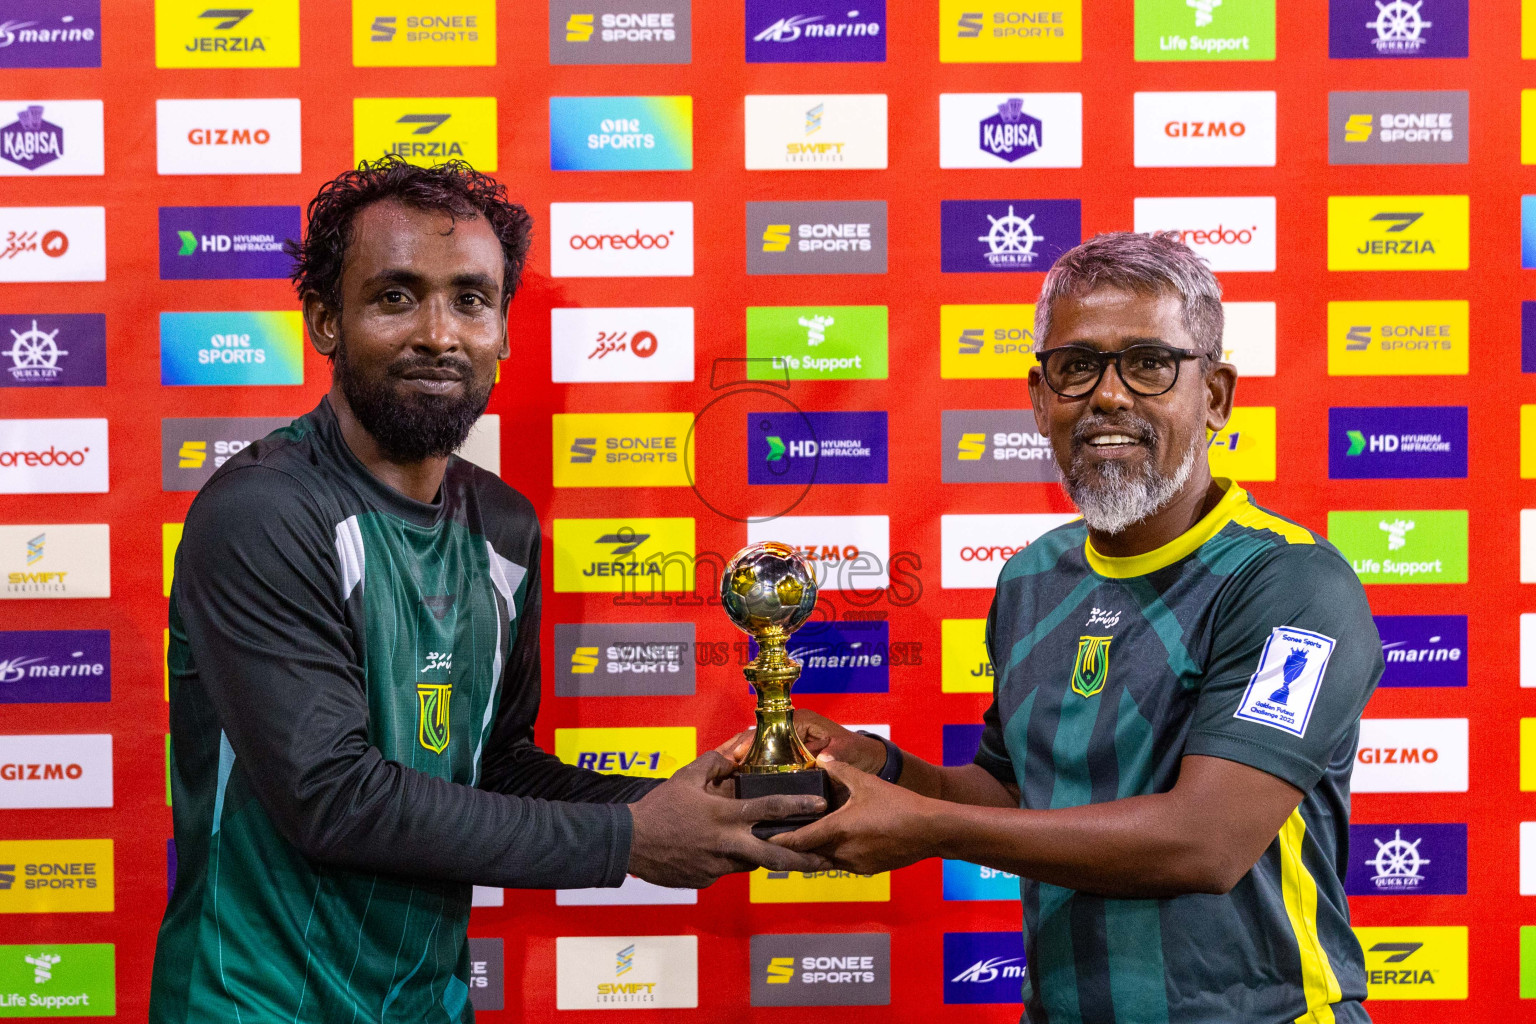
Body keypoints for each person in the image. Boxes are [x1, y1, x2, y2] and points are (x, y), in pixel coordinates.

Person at [149, 156, 827, 1024]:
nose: (440, 333)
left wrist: (682, 808)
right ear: (325, 318)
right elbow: (332, 798)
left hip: (425, 1005)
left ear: (504, 328)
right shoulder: (262, 511)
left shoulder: (503, 526)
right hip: (253, 1005)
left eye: (471, 300)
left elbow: (496, 765)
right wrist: (630, 841)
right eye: (397, 296)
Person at [760, 232, 1382, 1024]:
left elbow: (1208, 840)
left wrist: (924, 828)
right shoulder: (1031, 577)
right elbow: (1017, 793)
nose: (1109, 396)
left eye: (1149, 362)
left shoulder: (1291, 583)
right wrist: (880, 767)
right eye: (1077, 367)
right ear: (1040, 399)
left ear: (1216, 396)